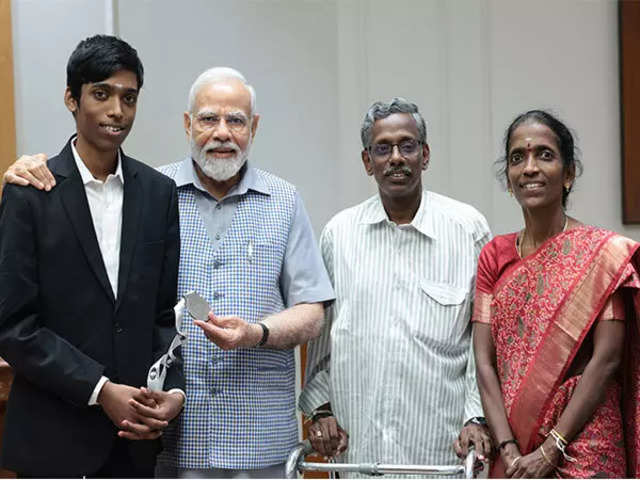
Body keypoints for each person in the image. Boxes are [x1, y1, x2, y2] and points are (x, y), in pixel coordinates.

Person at [3, 66, 334, 478]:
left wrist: (256, 334)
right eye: (209, 119)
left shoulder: (284, 201)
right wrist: (30, 169)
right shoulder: (149, 192)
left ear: (255, 127)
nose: (222, 132)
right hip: (168, 442)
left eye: (236, 121)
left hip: (259, 441)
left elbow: (313, 312)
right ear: (187, 123)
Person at [0, 35, 185, 477]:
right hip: (52, 441)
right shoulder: (31, 193)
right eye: (101, 94)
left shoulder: (158, 193)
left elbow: (163, 314)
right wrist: (100, 389)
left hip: (134, 444)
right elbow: (13, 326)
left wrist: (171, 391)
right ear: (72, 98)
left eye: (129, 97)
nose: (117, 110)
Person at [299, 97, 493, 475]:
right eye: (382, 148)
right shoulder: (339, 235)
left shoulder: (468, 230)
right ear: (367, 161)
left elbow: (484, 344)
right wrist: (320, 409)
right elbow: (322, 345)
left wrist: (476, 417)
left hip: (440, 457)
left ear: (425, 154)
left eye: (407, 145)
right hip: (359, 453)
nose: (396, 158)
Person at [473, 110, 640, 478]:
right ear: (508, 179)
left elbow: (607, 358)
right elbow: (484, 363)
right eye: (518, 158)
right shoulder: (494, 256)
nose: (529, 167)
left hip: (587, 443)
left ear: (568, 174)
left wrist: (554, 447)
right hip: (514, 445)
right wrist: (509, 449)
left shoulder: (602, 255)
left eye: (544, 155)